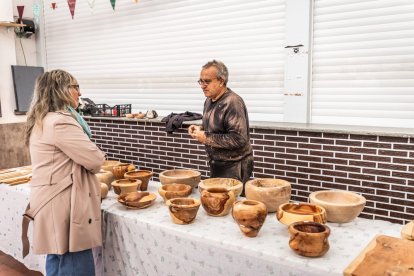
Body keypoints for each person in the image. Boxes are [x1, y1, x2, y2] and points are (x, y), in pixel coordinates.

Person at [22, 69, 105, 275]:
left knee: (57, 259)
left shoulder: (42, 119)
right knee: (75, 261)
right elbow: (95, 160)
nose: (80, 92)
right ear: (62, 90)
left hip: (50, 200)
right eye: (76, 87)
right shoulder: (61, 121)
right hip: (64, 203)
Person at [188, 60, 254, 188]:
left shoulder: (233, 102)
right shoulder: (208, 100)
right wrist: (199, 128)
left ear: (221, 81)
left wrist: (205, 137)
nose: (202, 85)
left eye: (207, 81)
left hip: (235, 165)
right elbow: (217, 127)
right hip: (217, 163)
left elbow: (239, 139)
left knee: (232, 203)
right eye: (200, 81)